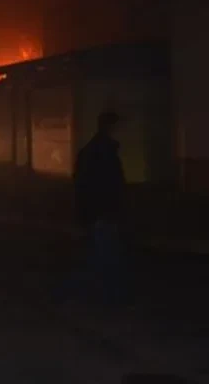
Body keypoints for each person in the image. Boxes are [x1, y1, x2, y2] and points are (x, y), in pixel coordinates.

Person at [69, 110, 128, 302]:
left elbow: (81, 184)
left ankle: (100, 295)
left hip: (98, 213)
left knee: (100, 256)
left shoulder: (92, 151)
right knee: (105, 257)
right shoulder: (105, 153)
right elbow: (108, 185)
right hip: (104, 213)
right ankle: (104, 296)